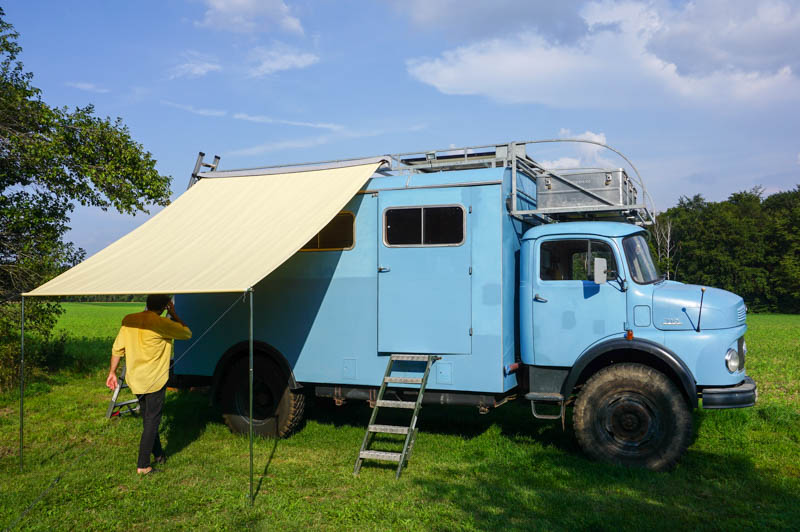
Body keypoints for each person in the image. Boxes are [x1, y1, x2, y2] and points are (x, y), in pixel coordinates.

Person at [106, 294, 192, 475]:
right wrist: (174, 313)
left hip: (135, 379)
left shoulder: (129, 320)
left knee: (148, 418)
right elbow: (187, 333)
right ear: (164, 307)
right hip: (153, 381)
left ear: (147, 303)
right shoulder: (162, 324)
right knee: (152, 421)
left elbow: (117, 349)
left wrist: (112, 372)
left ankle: (159, 454)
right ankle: (143, 465)